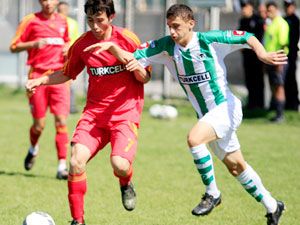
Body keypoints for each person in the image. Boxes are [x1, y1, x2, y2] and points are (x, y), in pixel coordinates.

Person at [89, 4, 287, 225]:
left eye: (177, 26)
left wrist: (262, 53)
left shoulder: (209, 40)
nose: (172, 32)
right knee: (236, 166)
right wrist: (115, 50)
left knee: (194, 139)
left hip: (226, 108)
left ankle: (212, 193)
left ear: (191, 24)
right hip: (207, 118)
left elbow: (246, 36)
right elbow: (135, 56)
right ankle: (273, 206)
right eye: (169, 27)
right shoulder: (166, 47)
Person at [25, 0, 150, 224]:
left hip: (125, 115)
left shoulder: (128, 39)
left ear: (111, 17)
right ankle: (78, 220)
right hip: (94, 115)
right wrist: (41, 80)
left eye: (99, 20)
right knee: (75, 162)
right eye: (90, 20)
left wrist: (132, 63)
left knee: (120, 165)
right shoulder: (82, 44)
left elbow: (145, 77)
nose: (94, 26)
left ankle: (125, 182)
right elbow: (66, 73)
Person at [10, 0, 70, 180]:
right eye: (44, 0)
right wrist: (33, 44)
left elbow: (66, 42)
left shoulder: (63, 21)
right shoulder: (30, 20)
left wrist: (68, 48)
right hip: (37, 77)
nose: (48, 3)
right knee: (39, 125)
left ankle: (61, 166)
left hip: (59, 77)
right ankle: (33, 148)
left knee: (61, 121)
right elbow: (13, 47)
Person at [264, 1, 289, 122]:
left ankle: (280, 114)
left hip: (278, 60)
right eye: (268, 11)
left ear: (276, 10)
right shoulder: (271, 23)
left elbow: (284, 44)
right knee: (273, 86)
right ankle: (275, 111)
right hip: (270, 60)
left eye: (271, 11)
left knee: (279, 86)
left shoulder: (281, 23)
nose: (269, 13)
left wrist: (279, 62)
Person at [239, 1, 265, 109]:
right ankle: (251, 103)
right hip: (246, 56)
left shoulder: (258, 20)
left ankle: (259, 104)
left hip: (257, 57)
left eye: (245, 7)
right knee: (249, 80)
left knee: (258, 80)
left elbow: (259, 38)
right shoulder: (242, 21)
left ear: (250, 7)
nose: (243, 9)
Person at [57, 1, 81, 114]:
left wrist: (69, 50)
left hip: (68, 57)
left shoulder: (73, 23)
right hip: (55, 57)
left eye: (64, 10)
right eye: (60, 10)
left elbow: (75, 41)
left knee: (68, 81)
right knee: (52, 80)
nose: (62, 13)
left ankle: (71, 106)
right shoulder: (54, 23)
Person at [284, 0, 300, 111]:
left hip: (292, 54)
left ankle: (294, 103)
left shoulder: (296, 20)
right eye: (286, 6)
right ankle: (288, 103)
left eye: (289, 5)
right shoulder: (284, 20)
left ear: (293, 6)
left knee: (291, 78)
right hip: (285, 54)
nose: (287, 8)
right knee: (285, 79)